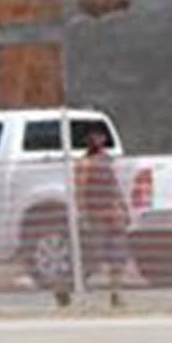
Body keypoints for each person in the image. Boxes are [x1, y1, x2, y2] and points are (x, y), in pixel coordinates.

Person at [74, 128, 130, 309]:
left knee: (118, 256)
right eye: (93, 137)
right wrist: (83, 215)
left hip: (113, 216)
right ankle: (69, 287)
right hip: (95, 216)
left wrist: (123, 208)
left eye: (100, 137)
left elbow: (115, 186)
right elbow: (80, 190)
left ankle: (116, 293)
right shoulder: (84, 163)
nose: (97, 140)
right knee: (93, 257)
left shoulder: (107, 160)